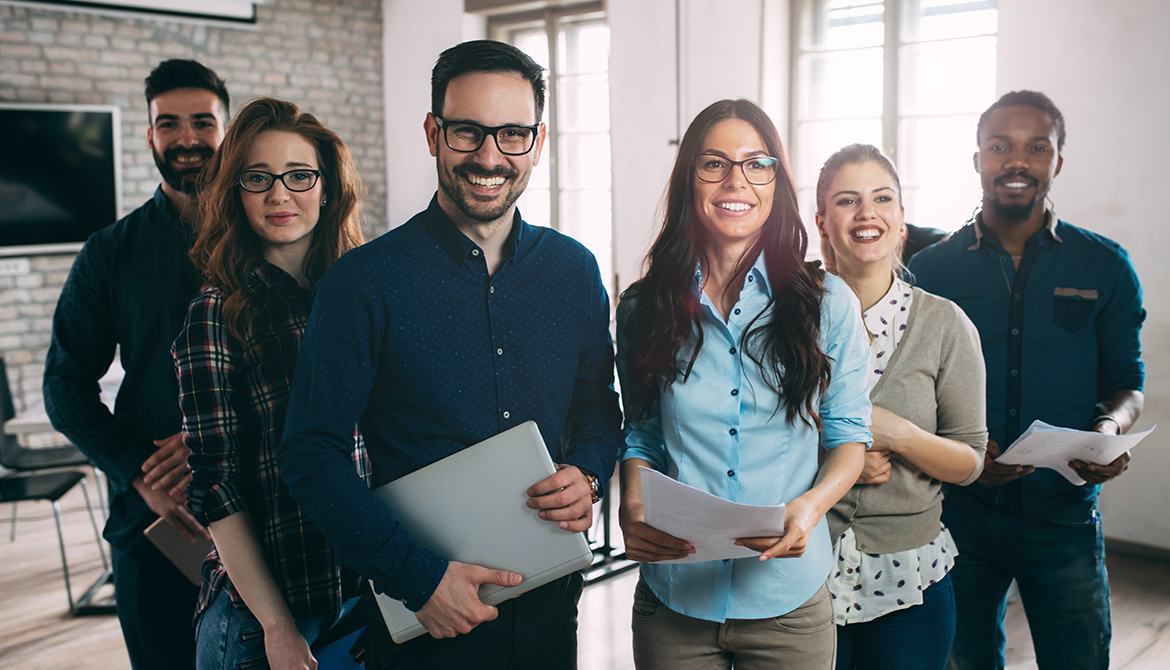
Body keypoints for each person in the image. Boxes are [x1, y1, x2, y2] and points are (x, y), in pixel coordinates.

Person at [275, 40, 622, 669]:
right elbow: (309, 452)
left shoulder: (575, 270)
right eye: (468, 132)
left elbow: (596, 403)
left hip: (549, 605)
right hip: (423, 617)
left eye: (513, 134)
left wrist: (592, 473)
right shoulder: (360, 284)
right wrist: (418, 578)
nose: (490, 157)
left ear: (538, 143)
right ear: (434, 133)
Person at [615, 98, 871, 670]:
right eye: (715, 164)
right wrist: (632, 499)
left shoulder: (828, 305)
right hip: (673, 598)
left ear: (777, 181)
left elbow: (850, 439)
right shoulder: (642, 306)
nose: (737, 180)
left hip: (789, 603)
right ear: (689, 179)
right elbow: (643, 432)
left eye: (758, 163)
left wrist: (809, 508)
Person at [907, 91, 1145, 670]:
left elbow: (1127, 381)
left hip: (1061, 515)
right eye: (1000, 146)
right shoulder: (931, 271)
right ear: (978, 159)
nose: (1017, 161)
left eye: (1037, 147)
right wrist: (959, 449)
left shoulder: (1104, 266)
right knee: (965, 661)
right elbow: (907, 387)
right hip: (957, 514)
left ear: (1057, 160)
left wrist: (1108, 428)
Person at [43, 59, 228, 670]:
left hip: (268, 500)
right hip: (159, 520)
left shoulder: (272, 236)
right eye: (167, 123)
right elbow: (65, 385)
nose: (187, 138)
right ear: (149, 136)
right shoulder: (108, 254)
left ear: (227, 131)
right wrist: (139, 474)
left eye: (203, 121)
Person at [173, 97, 367, 670]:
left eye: (299, 175)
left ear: (327, 187)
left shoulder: (358, 296)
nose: (279, 195)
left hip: (362, 598)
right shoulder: (216, 312)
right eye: (258, 178)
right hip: (264, 625)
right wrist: (277, 626)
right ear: (236, 191)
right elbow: (216, 485)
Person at [813, 144, 988, 670]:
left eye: (881, 198)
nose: (867, 213)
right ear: (822, 222)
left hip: (910, 580)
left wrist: (900, 435)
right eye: (848, 201)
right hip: (803, 569)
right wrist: (839, 457)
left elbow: (971, 462)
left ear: (901, 221)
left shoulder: (945, 324)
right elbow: (748, 429)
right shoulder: (783, 313)